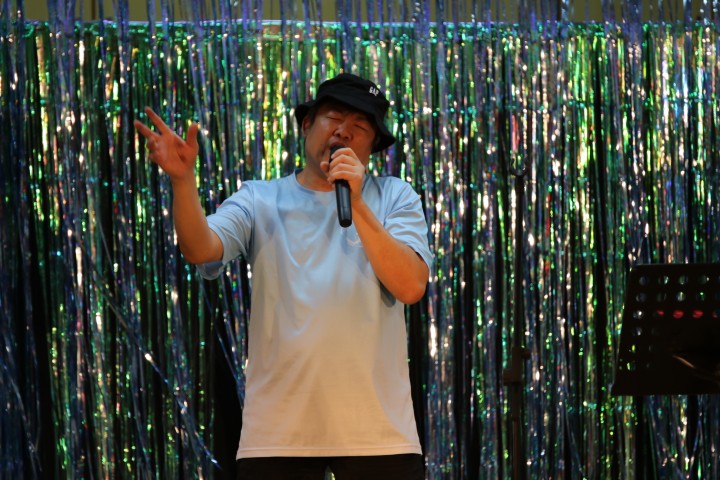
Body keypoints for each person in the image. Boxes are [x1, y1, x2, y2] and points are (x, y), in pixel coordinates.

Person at [134, 73, 432, 480]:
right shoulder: (260, 197)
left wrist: (357, 202)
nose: (344, 131)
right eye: (334, 118)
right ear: (307, 124)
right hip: (277, 434)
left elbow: (411, 285)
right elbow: (201, 248)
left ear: (373, 146)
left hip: (379, 433)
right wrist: (183, 181)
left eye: (361, 127)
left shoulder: (396, 195)